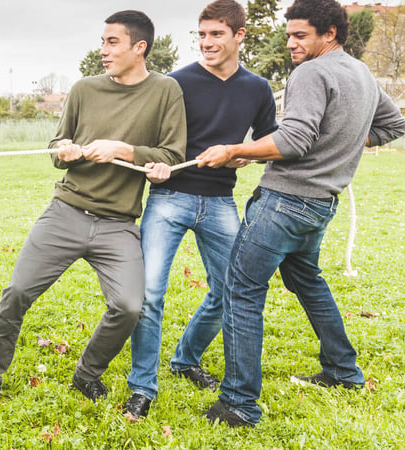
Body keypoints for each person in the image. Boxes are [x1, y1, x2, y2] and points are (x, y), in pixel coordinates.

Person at [0, 10, 186, 415]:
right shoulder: (84, 89)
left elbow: (172, 155)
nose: (102, 50)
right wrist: (64, 150)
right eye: (102, 42)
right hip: (66, 212)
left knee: (130, 307)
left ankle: (87, 373)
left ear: (140, 47)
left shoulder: (166, 91)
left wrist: (122, 149)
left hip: (118, 224)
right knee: (16, 294)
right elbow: (57, 146)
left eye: (112, 42)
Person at [195, 0, 405, 427]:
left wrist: (236, 149)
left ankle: (238, 403)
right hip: (320, 206)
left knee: (241, 291)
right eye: (288, 34)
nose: (290, 43)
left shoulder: (311, 71)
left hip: (284, 203)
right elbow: (392, 124)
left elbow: (294, 139)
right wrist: (339, 144)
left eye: (300, 35)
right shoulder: (360, 72)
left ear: (329, 34)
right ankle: (343, 371)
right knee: (306, 280)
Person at [123, 0, 279, 422]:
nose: (207, 43)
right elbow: (153, 142)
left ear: (239, 36)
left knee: (232, 292)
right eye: (202, 34)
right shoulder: (176, 83)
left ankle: (185, 358)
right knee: (150, 294)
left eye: (217, 34)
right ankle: (141, 387)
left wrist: (242, 155)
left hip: (221, 201)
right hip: (170, 198)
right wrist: (151, 167)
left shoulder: (258, 89)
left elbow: (269, 143)